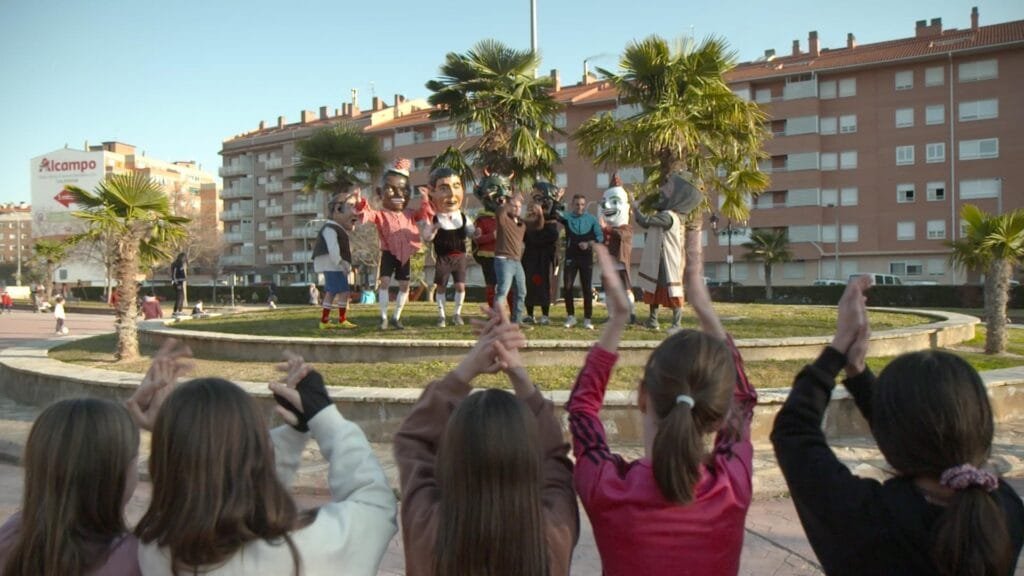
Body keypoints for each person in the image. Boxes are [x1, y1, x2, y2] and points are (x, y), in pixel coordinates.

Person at [771, 276, 1024, 576]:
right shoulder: (1003, 507)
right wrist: (859, 373)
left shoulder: (865, 517)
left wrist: (840, 346)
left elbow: (793, 431)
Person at [566, 244, 756, 576]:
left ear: (643, 397)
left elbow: (582, 411)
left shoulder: (606, 487)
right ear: (719, 414)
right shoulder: (730, 486)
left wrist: (618, 319)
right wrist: (705, 310)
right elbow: (742, 402)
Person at [134, 349, 398, 575]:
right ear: (260, 451)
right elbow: (375, 503)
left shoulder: (156, 550)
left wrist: (174, 431)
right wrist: (322, 414)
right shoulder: (311, 547)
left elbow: (205, 472)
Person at [394, 306, 579, 575]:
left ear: (452, 458)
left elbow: (412, 440)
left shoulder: (427, 527)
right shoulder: (554, 533)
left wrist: (466, 370)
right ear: (529, 460)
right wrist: (519, 373)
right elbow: (555, 458)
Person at [0, 398, 142, 575]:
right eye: (135, 459)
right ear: (116, 474)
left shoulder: (13, 537)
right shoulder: (133, 559)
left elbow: (74, 447)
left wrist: (120, 421)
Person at [356, 158, 433, 330]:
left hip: (405, 254)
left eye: (404, 190)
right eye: (391, 189)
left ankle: (396, 317)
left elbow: (424, 213)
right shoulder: (380, 214)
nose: (398, 195)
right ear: (380, 192)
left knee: (404, 285)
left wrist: (425, 198)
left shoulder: (410, 213)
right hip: (388, 253)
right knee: (384, 282)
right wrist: (361, 202)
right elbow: (366, 214)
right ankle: (383, 316)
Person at [632, 172, 701, 331]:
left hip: (668, 259)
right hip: (661, 258)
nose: (662, 190)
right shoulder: (670, 216)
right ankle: (653, 320)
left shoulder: (668, 217)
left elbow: (645, 221)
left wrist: (635, 208)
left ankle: (676, 324)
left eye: (668, 187)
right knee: (653, 288)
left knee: (673, 290)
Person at [420, 168, 473, 328]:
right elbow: (427, 238)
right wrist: (433, 230)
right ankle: (441, 315)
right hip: (443, 257)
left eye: (456, 186)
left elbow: (471, 233)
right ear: (432, 192)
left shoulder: (463, 217)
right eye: (444, 188)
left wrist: (476, 232)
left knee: (460, 285)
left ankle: (457, 314)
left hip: (460, 256)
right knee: (441, 286)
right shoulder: (433, 218)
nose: (451, 194)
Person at [314, 191, 359, 329]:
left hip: (333, 265)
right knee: (338, 292)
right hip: (333, 265)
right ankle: (331, 320)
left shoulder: (336, 228)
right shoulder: (330, 228)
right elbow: (333, 248)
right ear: (337, 210)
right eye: (351, 206)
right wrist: (340, 262)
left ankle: (330, 320)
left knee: (335, 292)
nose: (355, 212)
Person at [557, 194, 603, 330]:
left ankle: (587, 319)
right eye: (577, 204)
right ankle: (571, 316)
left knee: (586, 288)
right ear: (573, 205)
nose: (580, 207)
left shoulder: (592, 219)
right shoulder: (567, 217)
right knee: (567, 287)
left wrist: (589, 244)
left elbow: (600, 237)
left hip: (586, 258)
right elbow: (555, 212)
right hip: (571, 257)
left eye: (582, 204)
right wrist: (558, 198)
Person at [494, 193, 541, 324]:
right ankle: (497, 321)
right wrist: (507, 201)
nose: (517, 209)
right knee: (503, 291)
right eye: (514, 206)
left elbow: (538, 225)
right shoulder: (504, 219)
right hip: (503, 260)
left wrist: (540, 213)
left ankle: (517, 320)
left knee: (521, 292)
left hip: (516, 261)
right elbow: (499, 211)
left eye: (519, 206)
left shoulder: (521, 223)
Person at [522, 182, 562, 325]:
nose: (534, 202)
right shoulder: (529, 221)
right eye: (533, 198)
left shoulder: (551, 222)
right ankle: (530, 314)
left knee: (544, 284)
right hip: (530, 256)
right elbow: (525, 237)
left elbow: (552, 238)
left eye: (538, 198)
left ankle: (545, 315)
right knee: (529, 284)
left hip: (545, 257)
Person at [470, 172, 510, 310]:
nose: (502, 194)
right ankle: (494, 311)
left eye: (505, 188)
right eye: (494, 188)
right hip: (489, 258)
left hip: (506, 258)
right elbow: (477, 240)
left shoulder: (509, 218)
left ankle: (512, 313)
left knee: (509, 285)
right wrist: (492, 236)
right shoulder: (481, 220)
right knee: (491, 284)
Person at [600, 174, 636, 324]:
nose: (607, 206)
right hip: (608, 264)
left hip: (620, 264)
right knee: (608, 291)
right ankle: (611, 316)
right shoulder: (605, 228)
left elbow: (621, 235)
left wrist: (606, 228)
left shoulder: (626, 228)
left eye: (614, 201)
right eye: (604, 203)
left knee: (626, 289)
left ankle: (630, 314)